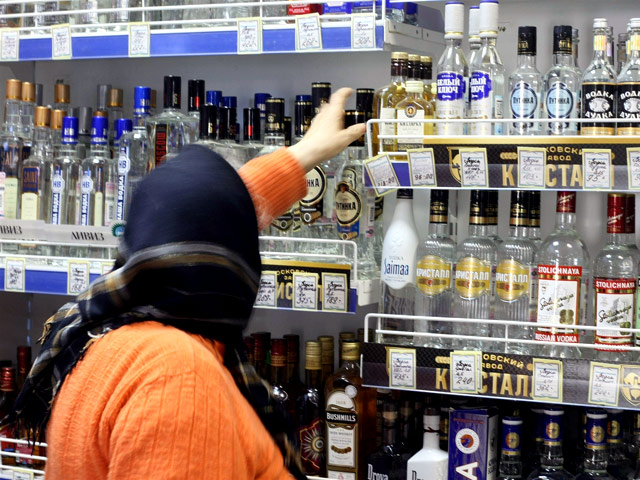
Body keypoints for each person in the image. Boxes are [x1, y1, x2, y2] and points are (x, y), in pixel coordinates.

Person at [13, 88, 366, 480]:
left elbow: (199, 214)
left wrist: (306, 152)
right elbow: (211, 215)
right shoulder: (178, 379)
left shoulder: (101, 331)